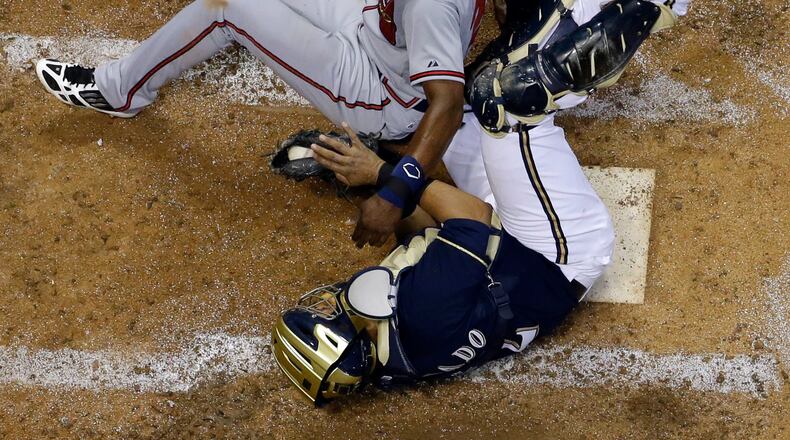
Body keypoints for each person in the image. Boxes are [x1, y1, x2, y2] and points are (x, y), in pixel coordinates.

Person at [34, 0, 487, 247]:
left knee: (225, 8)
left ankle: (119, 91)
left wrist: (394, 192)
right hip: (370, 25)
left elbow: (445, 104)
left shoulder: (434, 6)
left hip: (377, 91)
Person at [272, 125, 592, 403]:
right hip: (559, 248)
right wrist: (383, 173)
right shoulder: (424, 308)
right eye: (325, 314)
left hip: (513, 262)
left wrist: (369, 190)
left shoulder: (388, 355)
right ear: (342, 335)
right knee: (502, 103)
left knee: (443, 121)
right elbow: (473, 218)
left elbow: (424, 243)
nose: (325, 303)